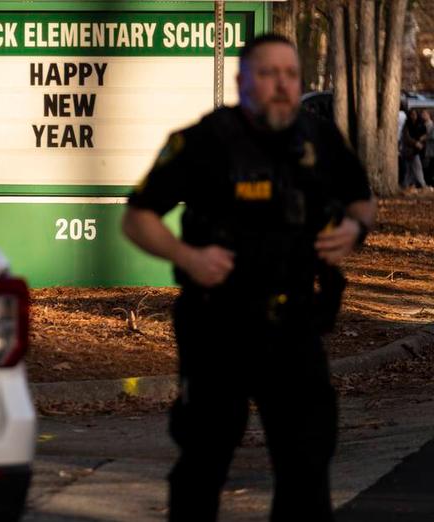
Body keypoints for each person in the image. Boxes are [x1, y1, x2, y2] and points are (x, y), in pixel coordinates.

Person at [122, 33, 376, 522]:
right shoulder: (203, 141)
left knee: (307, 461)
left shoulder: (319, 138)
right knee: (205, 458)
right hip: (218, 324)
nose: (282, 85)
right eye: (267, 73)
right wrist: (187, 256)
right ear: (242, 81)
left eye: (290, 74)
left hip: (296, 324)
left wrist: (353, 227)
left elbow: (362, 200)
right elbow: (138, 218)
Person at [401, 108, 428, 189]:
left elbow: (425, 133)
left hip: (418, 150)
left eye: (415, 114)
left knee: (410, 171)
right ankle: (423, 185)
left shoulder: (420, 123)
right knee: (417, 168)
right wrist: (415, 143)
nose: (413, 116)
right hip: (410, 150)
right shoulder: (407, 125)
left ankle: (405, 185)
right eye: (412, 114)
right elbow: (406, 137)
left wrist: (422, 139)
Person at [422, 110, 434, 186]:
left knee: (429, 166)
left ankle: (429, 182)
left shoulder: (431, 124)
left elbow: (431, 136)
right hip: (429, 149)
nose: (422, 115)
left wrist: (424, 137)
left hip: (430, 149)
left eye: (425, 114)